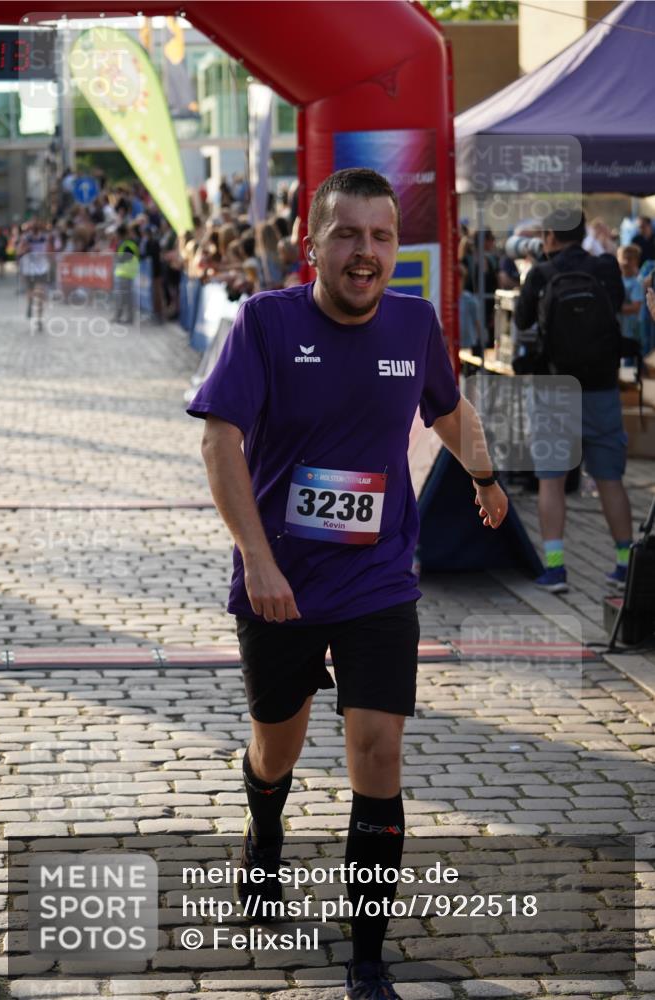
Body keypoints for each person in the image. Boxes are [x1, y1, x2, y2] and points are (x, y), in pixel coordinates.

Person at [187, 168, 507, 1000]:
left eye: (380, 237)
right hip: (279, 585)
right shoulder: (263, 323)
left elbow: (445, 408)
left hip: (376, 581)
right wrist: (256, 557)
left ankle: (366, 956)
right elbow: (220, 442)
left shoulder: (411, 322)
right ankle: (264, 832)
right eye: (346, 235)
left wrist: (483, 473)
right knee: (276, 746)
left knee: (377, 752)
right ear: (312, 246)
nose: (365, 254)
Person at [514, 209, 632, 593]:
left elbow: (520, 321)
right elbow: (615, 307)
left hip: (553, 388)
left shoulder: (540, 274)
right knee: (609, 479)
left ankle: (556, 568)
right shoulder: (606, 269)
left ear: (549, 237)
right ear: (582, 235)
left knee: (552, 479)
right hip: (601, 387)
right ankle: (625, 564)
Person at [17, 219, 51, 332]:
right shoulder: (26, 238)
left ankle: (39, 319)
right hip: (29, 268)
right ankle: (30, 304)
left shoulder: (45, 238)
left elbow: (51, 251)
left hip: (41, 269)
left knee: (40, 294)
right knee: (31, 291)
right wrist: (25, 250)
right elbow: (19, 252)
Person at [617, 244, 644, 347]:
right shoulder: (617, 279)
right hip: (619, 329)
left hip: (631, 331)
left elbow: (635, 307)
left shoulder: (636, 283)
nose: (625, 262)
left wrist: (614, 307)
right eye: (623, 258)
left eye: (630, 259)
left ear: (636, 262)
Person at [112, 224, 140, 325]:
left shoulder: (127, 245)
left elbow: (125, 258)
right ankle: (128, 318)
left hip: (125, 274)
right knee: (127, 298)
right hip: (127, 274)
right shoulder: (127, 243)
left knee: (122, 297)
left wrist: (117, 258)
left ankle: (120, 317)